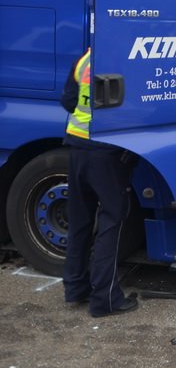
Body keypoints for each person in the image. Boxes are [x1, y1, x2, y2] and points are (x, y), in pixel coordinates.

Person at [60, 48, 139, 318]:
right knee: (112, 222)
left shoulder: (85, 58)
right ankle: (105, 299)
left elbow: (68, 101)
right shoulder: (125, 57)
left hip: (77, 149)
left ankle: (75, 288)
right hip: (107, 153)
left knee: (79, 222)